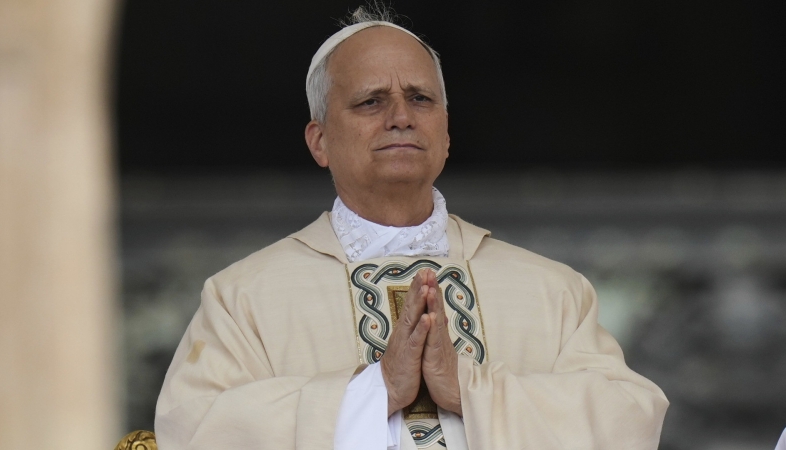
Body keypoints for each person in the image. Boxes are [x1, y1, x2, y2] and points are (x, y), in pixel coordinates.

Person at [154, 5, 668, 449]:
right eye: (371, 101)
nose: (401, 116)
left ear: (446, 134)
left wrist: (469, 390)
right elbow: (191, 430)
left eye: (421, 98)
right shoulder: (242, 300)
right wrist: (373, 391)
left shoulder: (552, 292)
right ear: (319, 141)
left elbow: (630, 419)